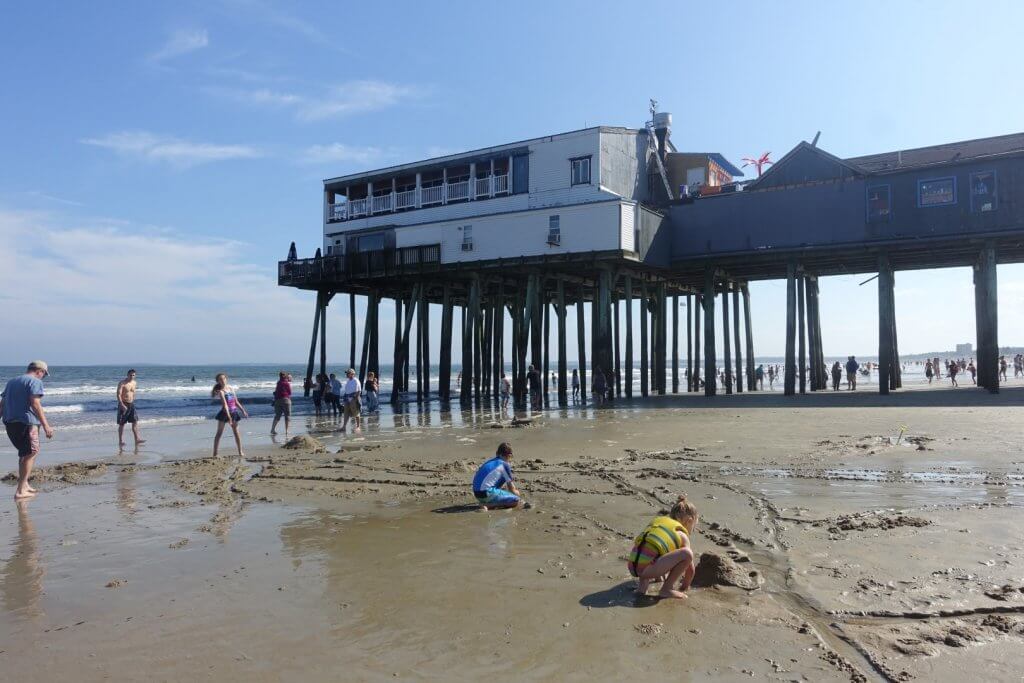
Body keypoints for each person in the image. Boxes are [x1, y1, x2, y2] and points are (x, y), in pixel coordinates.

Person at [627, 495, 699, 599]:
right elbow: (690, 569)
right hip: (647, 569)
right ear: (689, 520)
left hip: (633, 565)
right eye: (694, 526)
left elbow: (655, 548)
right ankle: (667, 589)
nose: (692, 530)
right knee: (687, 554)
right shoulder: (682, 534)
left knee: (656, 549)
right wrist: (685, 587)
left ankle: (642, 588)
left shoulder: (660, 522)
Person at [1, 362, 54, 500]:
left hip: (10, 422)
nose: (43, 377)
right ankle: (20, 491)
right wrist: (46, 425)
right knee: (32, 452)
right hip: (27, 422)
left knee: (24, 453)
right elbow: (35, 403)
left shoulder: (12, 381)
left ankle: (24, 485)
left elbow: (3, 402)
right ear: (40, 371)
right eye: (44, 374)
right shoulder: (34, 381)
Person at [472, 442, 524, 510]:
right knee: (515, 500)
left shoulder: (490, 461)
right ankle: (488, 505)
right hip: (486, 493)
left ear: (497, 453)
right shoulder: (504, 465)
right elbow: (512, 490)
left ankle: (489, 499)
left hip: (477, 494)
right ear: (509, 455)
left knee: (502, 479)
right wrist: (518, 495)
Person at [212, 373, 248, 457]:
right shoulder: (221, 392)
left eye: (224, 378)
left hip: (234, 412)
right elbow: (225, 405)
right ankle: (215, 453)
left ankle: (240, 451)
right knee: (219, 433)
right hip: (224, 413)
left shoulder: (231, 388)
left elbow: (236, 401)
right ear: (218, 381)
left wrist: (243, 411)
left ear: (226, 379)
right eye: (220, 379)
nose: (223, 380)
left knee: (237, 433)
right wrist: (229, 417)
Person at [116, 369, 145, 449]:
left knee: (135, 421)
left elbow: (133, 393)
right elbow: (118, 394)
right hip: (123, 404)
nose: (132, 376)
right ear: (127, 375)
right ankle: (120, 441)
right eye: (130, 375)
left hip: (131, 404)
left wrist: (133, 402)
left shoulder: (134, 383)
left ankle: (137, 439)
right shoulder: (122, 383)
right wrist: (121, 404)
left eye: (133, 375)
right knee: (122, 424)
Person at [340, 368, 362, 433]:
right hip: (347, 398)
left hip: (354, 398)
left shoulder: (356, 380)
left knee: (356, 412)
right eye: (347, 373)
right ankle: (344, 426)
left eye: (348, 373)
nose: (347, 374)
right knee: (346, 412)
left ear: (352, 374)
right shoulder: (348, 381)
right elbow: (347, 390)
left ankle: (358, 426)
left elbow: (359, 391)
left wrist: (354, 399)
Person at [271, 371, 292, 435]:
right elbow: (290, 392)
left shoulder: (278, 382)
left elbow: (276, 392)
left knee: (277, 416)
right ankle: (286, 431)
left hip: (277, 400)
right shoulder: (287, 383)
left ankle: (272, 429)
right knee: (287, 416)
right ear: (286, 376)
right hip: (286, 400)